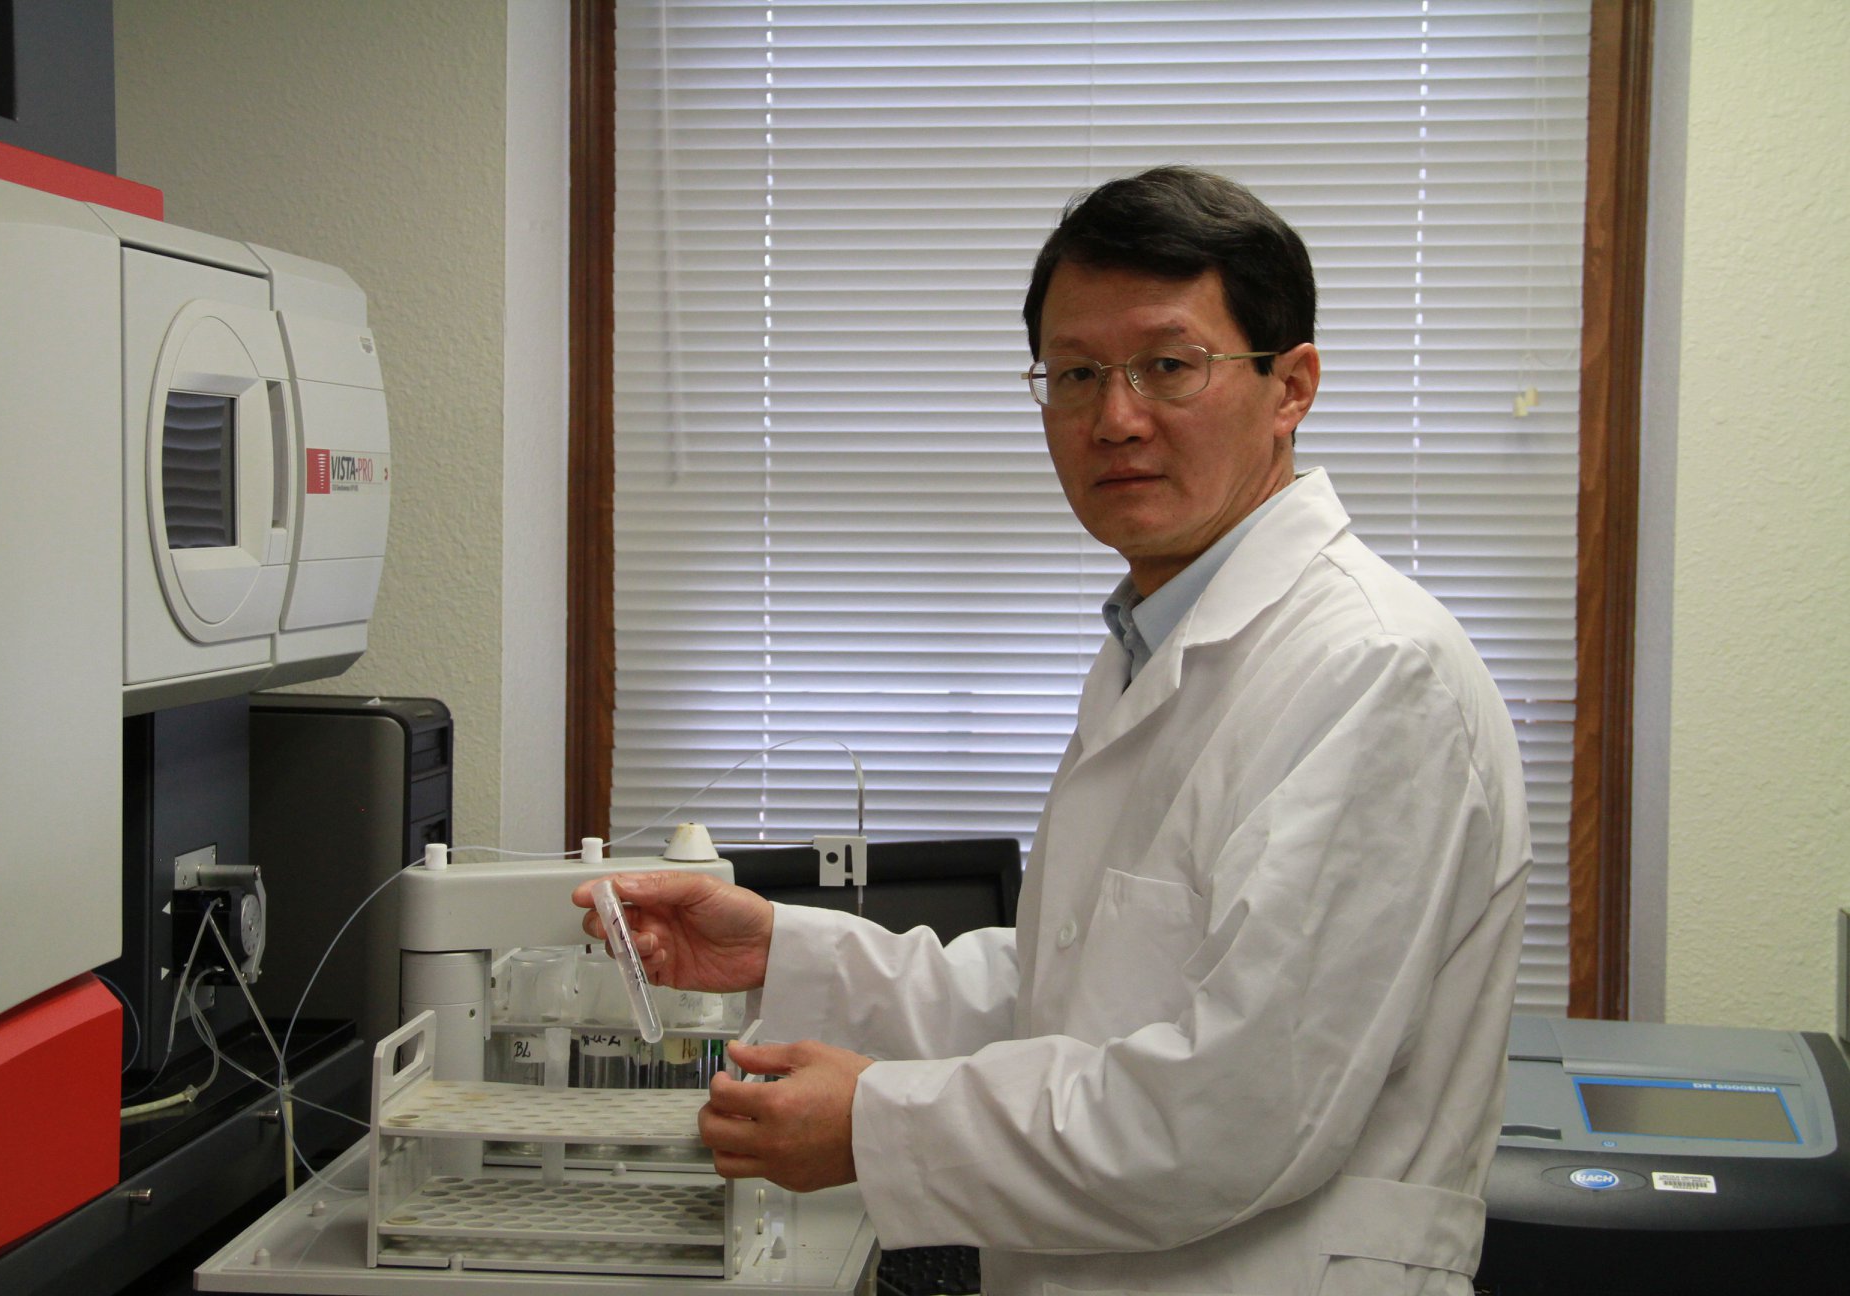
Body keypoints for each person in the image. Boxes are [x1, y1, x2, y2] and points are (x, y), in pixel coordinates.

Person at [578, 166, 1530, 1295]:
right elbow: (1067, 993)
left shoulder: (1372, 670)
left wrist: (875, 1126)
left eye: (1169, 366)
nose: (1115, 417)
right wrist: (776, 948)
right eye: (1076, 374)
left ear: (1292, 385)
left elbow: (1229, 1110)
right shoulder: (1156, 640)